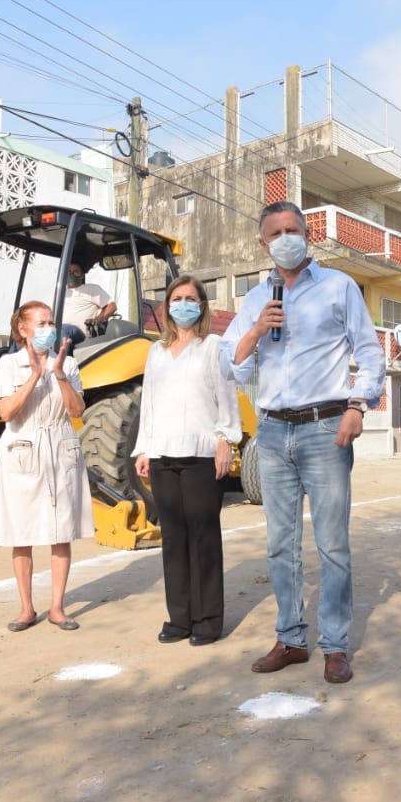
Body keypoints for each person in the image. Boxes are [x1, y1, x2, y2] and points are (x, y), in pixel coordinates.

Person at [222, 201, 385, 684]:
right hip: (272, 432)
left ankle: (335, 644)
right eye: (276, 232)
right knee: (279, 544)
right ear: (263, 243)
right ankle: (291, 639)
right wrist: (255, 328)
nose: (286, 238)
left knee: (332, 543)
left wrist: (358, 406)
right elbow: (234, 366)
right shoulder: (255, 299)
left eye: (294, 229)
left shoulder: (338, 287)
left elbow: (370, 353)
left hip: (325, 426)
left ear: (307, 235)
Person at [133, 276, 242, 646]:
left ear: (202, 305)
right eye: (176, 298)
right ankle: (179, 618)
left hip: (202, 454)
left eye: (190, 298)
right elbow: (148, 402)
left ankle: (208, 620)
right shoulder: (156, 351)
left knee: (204, 538)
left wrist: (227, 438)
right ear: (166, 306)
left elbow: (226, 394)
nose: (183, 304)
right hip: (163, 455)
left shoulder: (214, 346)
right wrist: (143, 448)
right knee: (174, 540)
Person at [0, 300, 95, 633]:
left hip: (60, 445)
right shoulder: (9, 365)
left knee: (60, 530)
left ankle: (57, 608)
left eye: (52, 323)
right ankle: (25, 609)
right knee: (21, 533)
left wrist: (59, 374)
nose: (50, 329)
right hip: (24, 448)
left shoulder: (70, 365)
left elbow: (77, 411)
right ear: (23, 329)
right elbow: (7, 412)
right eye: (42, 323)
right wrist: (35, 374)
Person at [60, 262, 116, 344]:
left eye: (75, 271)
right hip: (60, 331)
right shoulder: (60, 293)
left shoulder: (92, 289)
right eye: (69, 272)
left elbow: (112, 306)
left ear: (82, 275)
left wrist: (97, 319)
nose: (71, 274)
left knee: (63, 331)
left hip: (80, 334)